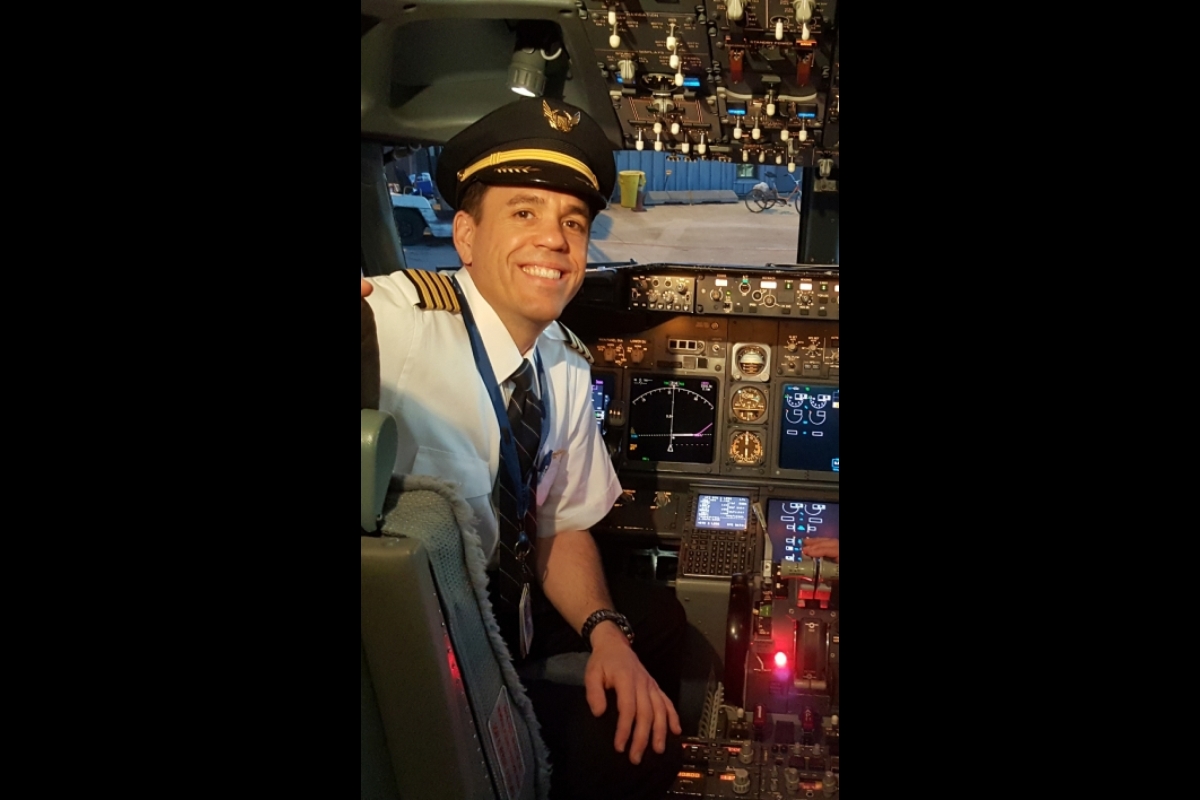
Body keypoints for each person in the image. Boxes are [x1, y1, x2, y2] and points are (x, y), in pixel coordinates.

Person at [362, 97, 684, 799]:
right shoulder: (394, 327)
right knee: (642, 756)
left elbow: (560, 523)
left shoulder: (562, 362)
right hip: (434, 653)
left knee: (659, 621)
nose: (555, 240)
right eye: (524, 213)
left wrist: (605, 633)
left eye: (573, 222)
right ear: (466, 237)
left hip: (512, 627)